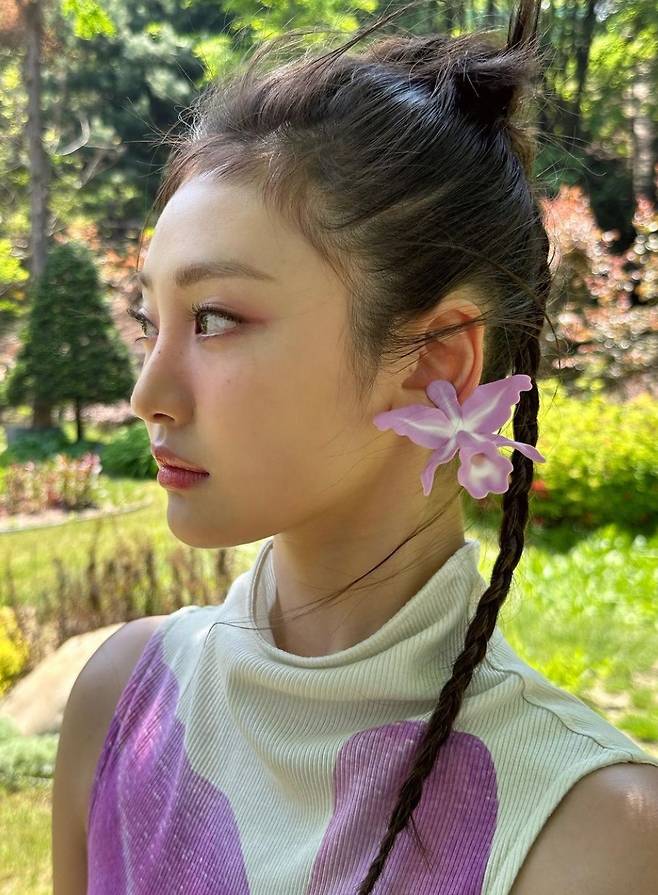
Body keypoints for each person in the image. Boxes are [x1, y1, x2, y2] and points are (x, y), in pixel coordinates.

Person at [55, 1, 658, 893]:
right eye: (152, 321)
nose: (148, 394)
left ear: (435, 361)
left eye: (213, 318)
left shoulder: (595, 837)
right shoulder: (121, 706)